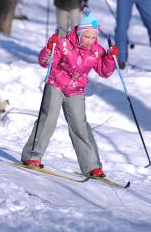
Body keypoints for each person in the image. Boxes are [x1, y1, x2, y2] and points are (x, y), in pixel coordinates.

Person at [21, 13, 120, 178]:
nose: (90, 40)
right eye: (87, 36)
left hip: (76, 91)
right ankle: (32, 156)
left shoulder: (96, 50)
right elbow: (45, 62)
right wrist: (49, 48)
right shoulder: (64, 44)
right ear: (79, 33)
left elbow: (104, 71)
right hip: (56, 85)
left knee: (80, 127)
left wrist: (110, 58)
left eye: (93, 37)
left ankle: (92, 166)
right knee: (49, 119)